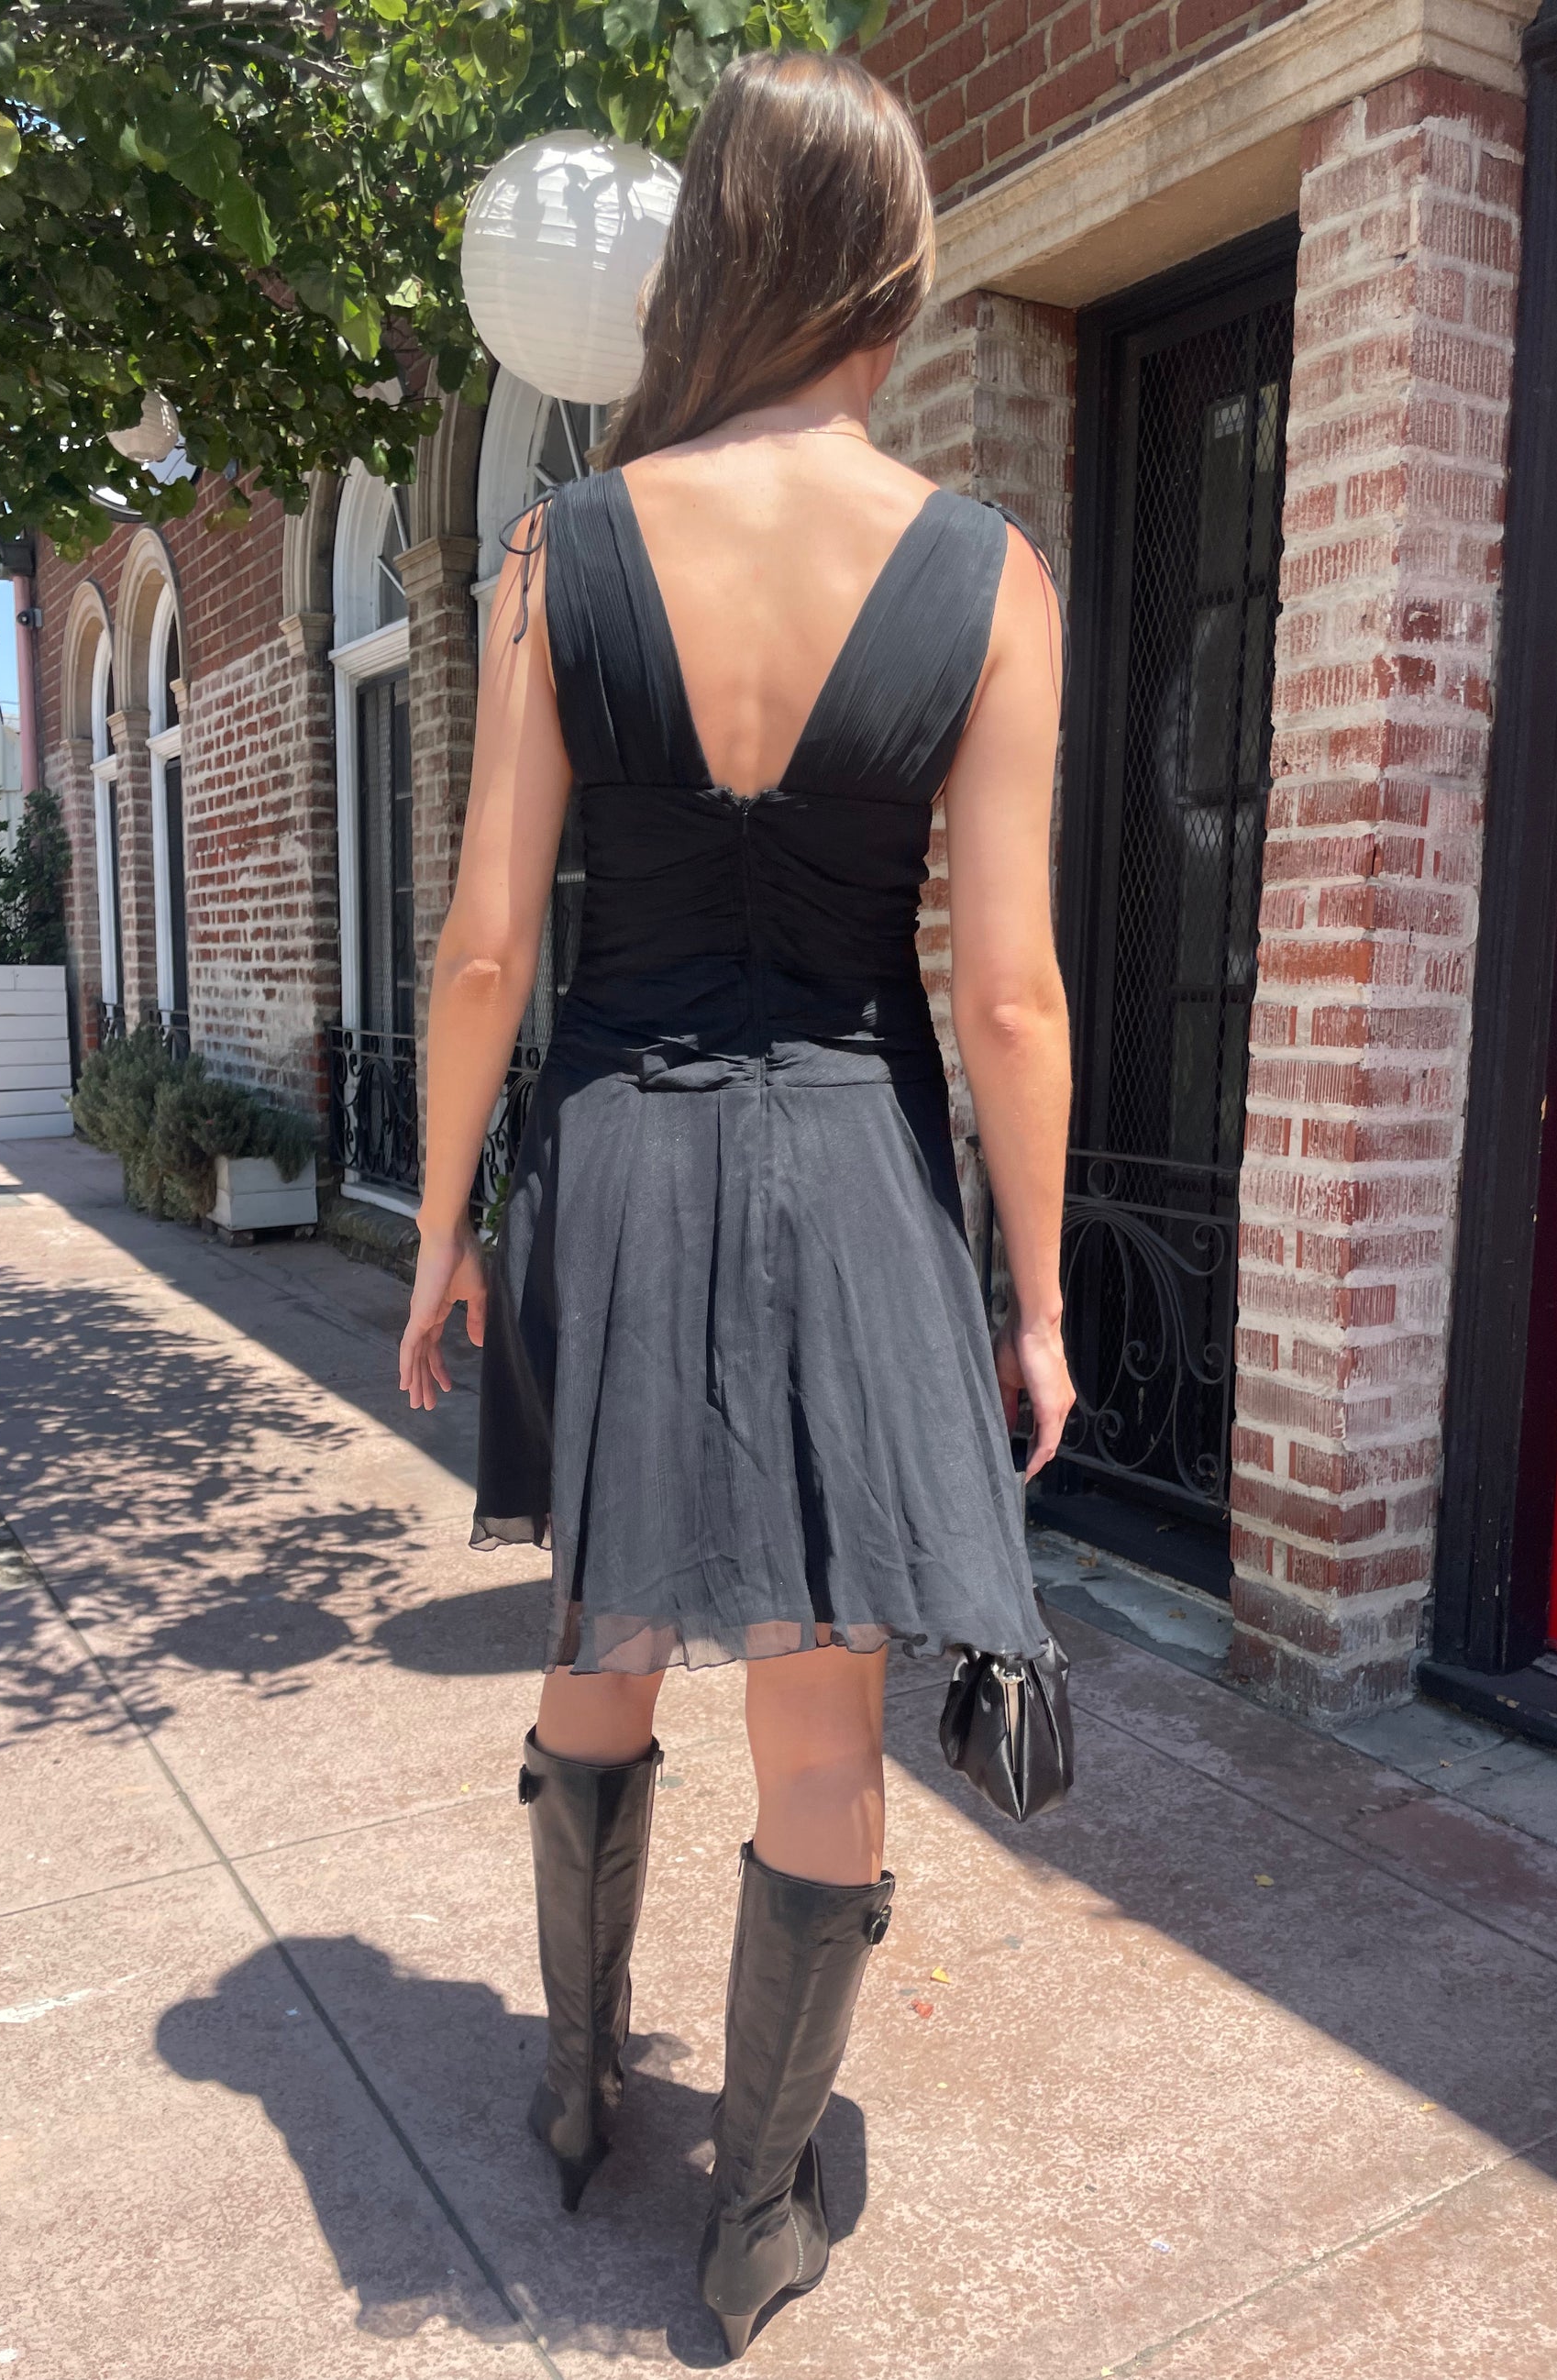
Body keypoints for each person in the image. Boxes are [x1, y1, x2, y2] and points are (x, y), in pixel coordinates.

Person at [398, 49, 1073, 2363]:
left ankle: (581, 2090)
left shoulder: (560, 547)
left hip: (613, 1154)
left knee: (599, 1635)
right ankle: (756, 2209)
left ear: (707, 256)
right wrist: (1045, 1292)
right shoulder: (986, 573)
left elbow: (487, 940)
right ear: (884, 264)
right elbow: (1005, 992)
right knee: (823, 1712)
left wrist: (437, 1232)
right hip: (860, 1171)